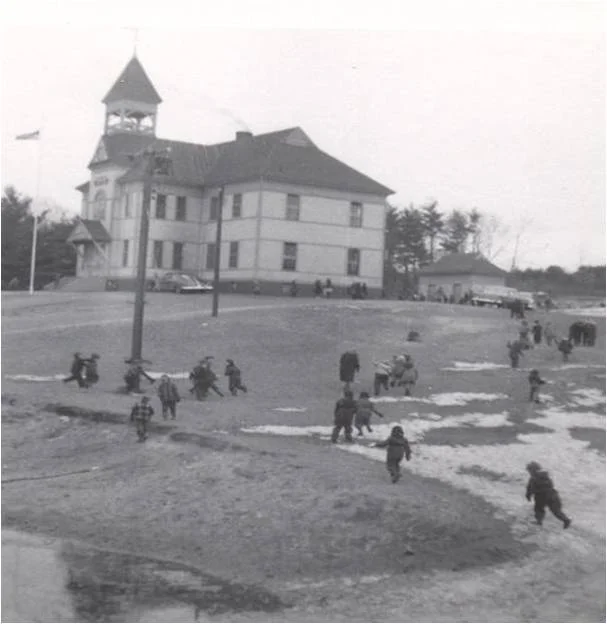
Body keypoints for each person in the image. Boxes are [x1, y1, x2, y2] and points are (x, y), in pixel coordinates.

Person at [525, 461, 571, 528]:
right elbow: (550, 485)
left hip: (542, 497)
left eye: (530, 470)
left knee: (539, 509)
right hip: (553, 495)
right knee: (556, 511)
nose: (529, 472)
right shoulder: (546, 476)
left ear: (533, 470)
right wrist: (529, 494)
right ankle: (566, 520)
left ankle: (539, 522)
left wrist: (528, 495)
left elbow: (529, 488)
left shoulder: (533, 478)